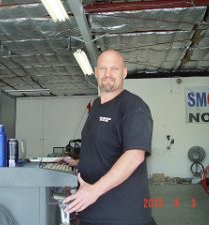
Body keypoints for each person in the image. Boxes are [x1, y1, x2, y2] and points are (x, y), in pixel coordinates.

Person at [63, 50, 154, 225]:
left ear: (124, 73)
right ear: (96, 72)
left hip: (121, 214)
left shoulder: (134, 106)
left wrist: (94, 191)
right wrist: (80, 161)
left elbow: (135, 155)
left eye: (114, 69)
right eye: (103, 68)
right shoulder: (97, 105)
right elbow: (103, 145)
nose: (108, 74)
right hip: (93, 210)